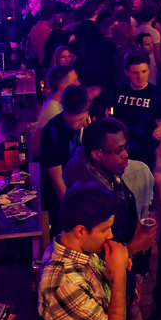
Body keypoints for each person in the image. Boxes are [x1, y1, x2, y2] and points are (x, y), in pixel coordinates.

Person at [63, 118, 158, 320]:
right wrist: (135, 247)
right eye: (118, 150)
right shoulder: (88, 198)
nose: (126, 154)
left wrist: (135, 271)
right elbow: (93, 260)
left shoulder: (109, 174)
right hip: (106, 297)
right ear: (97, 154)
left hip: (124, 279)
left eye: (125, 147)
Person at [38, 182, 131, 320]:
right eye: (104, 229)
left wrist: (112, 269)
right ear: (80, 231)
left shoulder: (70, 244)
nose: (110, 235)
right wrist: (119, 275)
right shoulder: (66, 284)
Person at [108, 51, 161, 169]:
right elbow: (109, 115)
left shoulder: (157, 94)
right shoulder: (118, 92)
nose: (140, 76)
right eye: (135, 72)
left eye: (144, 71)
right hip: (119, 150)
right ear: (127, 72)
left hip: (146, 154)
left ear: (149, 70)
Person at [39, 84, 91, 236]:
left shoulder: (88, 123)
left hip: (85, 191)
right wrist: (71, 212)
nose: (78, 123)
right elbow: (57, 181)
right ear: (65, 111)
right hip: (62, 198)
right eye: (74, 120)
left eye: (81, 118)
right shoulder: (52, 133)